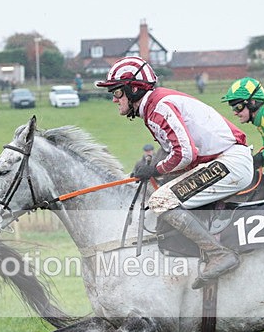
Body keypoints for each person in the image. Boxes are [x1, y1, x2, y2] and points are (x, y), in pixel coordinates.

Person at [95, 57, 252, 289]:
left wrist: (154, 169)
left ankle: (219, 254)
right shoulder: (153, 106)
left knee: (161, 201)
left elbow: (185, 154)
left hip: (228, 163)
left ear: (134, 89)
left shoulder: (158, 106)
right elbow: (173, 150)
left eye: (117, 92)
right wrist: (152, 168)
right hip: (222, 161)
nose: (114, 99)